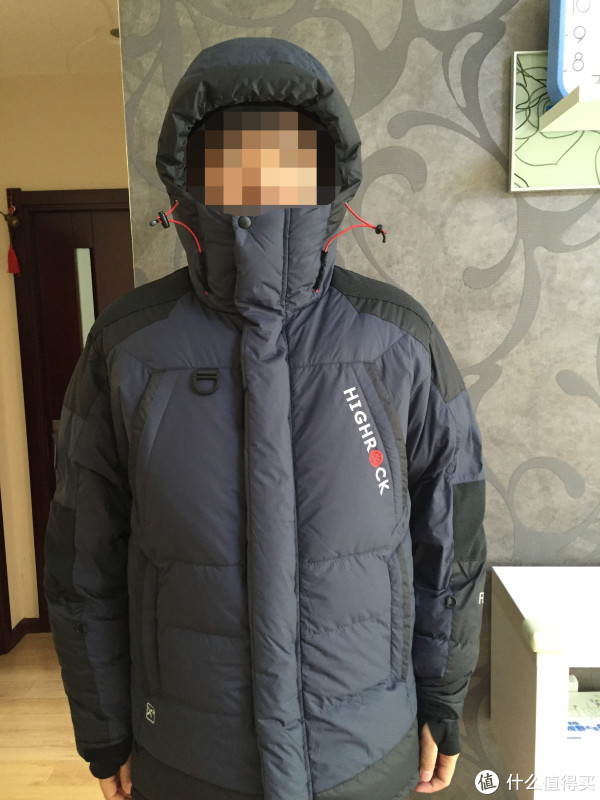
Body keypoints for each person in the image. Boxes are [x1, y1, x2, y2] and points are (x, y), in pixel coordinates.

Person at [44, 37, 487, 800]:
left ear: (328, 165)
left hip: (363, 753)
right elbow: (83, 557)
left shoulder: (397, 341)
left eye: (287, 149)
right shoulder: (129, 347)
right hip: (189, 756)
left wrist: (443, 701)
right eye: (229, 150)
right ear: (189, 170)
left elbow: (450, 540)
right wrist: (103, 725)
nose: (258, 172)